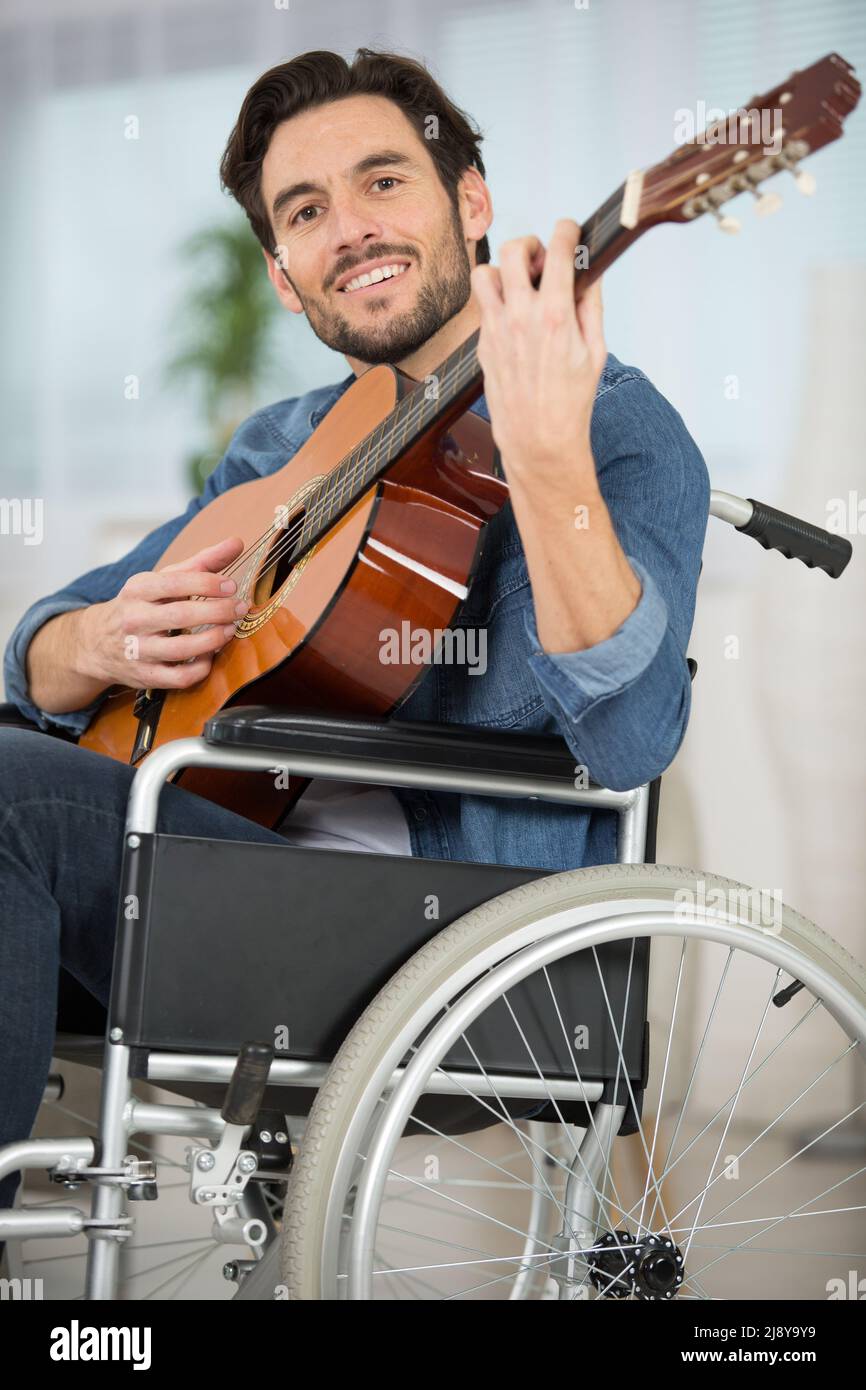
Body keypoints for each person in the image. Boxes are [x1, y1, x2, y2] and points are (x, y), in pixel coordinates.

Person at [0, 48, 709, 1222]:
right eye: (305, 210)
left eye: (383, 181)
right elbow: (47, 641)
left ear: (469, 203)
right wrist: (90, 645)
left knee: (15, 801)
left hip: (431, 941)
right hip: (220, 867)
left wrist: (542, 457)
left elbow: (630, 736)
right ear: (284, 276)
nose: (349, 229)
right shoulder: (283, 442)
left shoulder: (617, 427)